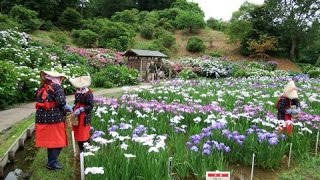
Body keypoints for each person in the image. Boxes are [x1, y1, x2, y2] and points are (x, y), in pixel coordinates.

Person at [35, 71, 73, 170]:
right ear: (56, 78)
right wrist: (69, 108)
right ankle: (52, 163)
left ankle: (51, 161)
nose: (61, 80)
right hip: (54, 118)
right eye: (60, 78)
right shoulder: (56, 86)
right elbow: (61, 102)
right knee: (58, 141)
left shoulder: (42, 86)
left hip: (42, 118)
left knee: (51, 141)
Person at [69, 74, 94, 153]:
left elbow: (90, 106)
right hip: (77, 116)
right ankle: (81, 150)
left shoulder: (88, 93)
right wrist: (74, 107)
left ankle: (86, 150)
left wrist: (81, 109)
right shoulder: (77, 92)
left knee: (83, 133)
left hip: (84, 116)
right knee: (77, 132)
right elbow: (76, 101)